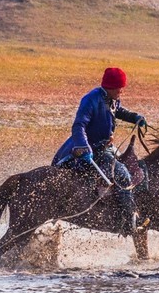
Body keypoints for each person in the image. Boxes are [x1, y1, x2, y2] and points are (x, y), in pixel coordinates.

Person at [52, 67, 147, 235]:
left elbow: (118, 111)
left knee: (132, 166)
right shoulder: (91, 99)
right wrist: (84, 147)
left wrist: (135, 117)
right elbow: (78, 125)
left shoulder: (112, 98)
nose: (121, 91)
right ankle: (129, 221)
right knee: (123, 174)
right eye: (119, 88)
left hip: (105, 147)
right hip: (91, 149)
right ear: (111, 87)